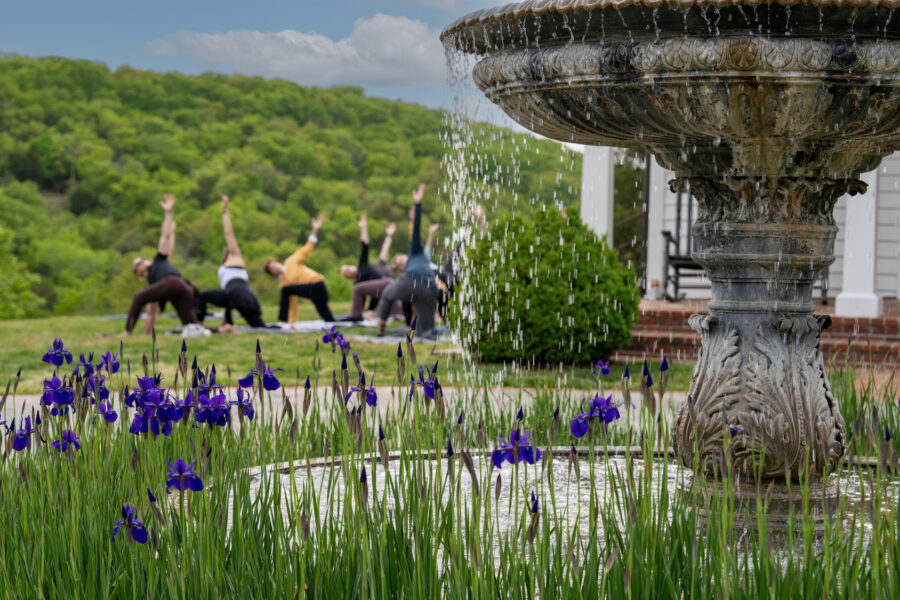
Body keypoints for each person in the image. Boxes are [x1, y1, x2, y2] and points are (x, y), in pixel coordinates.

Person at [126, 194, 203, 335]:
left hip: (175, 283)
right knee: (192, 327)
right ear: (138, 272)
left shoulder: (159, 261)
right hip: (185, 289)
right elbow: (150, 315)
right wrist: (145, 336)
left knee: (138, 298)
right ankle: (223, 330)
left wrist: (168, 213)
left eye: (142, 259)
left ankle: (127, 332)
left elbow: (165, 238)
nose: (143, 260)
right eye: (139, 262)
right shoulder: (153, 283)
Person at [377, 183, 443, 338]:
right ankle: (423, 332)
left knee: (387, 294)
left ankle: (381, 329)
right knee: (426, 332)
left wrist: (418, 206)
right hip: (430, 290)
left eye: (401, 258)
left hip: (420, 285)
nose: (401, 260)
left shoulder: (418, 253)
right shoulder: (418, 255)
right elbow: (415, 232)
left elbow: (416, 232)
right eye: (398, 262)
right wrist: (416, 209)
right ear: (399, 267)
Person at [194, 195, 266, 331]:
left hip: (241, 293)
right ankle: (205, 326)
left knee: (260, 327)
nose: (226, 249)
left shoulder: (235, 256)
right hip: (233, 294)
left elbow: (228, 233)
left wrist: (224, 211)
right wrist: (224, 322)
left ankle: (198, 325)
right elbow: (226, 302)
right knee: (203, 296)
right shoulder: (224, 267)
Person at [263, 215, 336, 326]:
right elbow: (292, 305)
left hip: (318, 286)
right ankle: (284, 322)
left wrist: (315, 230)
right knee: (328, 320)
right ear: (273, 274)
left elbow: (307, 249)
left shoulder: (290, 261)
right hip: (312, 294)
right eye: (273, 269)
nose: (276, 268)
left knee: (286, 290)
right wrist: (292, 323)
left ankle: (282, 320)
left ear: (278, 262)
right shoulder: (284, 284)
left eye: (275, 265)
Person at [338, 216, 403, 322]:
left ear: (352, 266)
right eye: (347, 273)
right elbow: (374, 296)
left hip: (387, 283)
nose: (349, 272)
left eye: (348, 268)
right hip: (385, 289)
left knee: (357, 289)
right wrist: (369, 311)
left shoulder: (363, 265)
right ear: (348, 277)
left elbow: (365, 245)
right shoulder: (361, 283)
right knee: (398, 313)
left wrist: (363, 227)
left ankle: (355, 316)